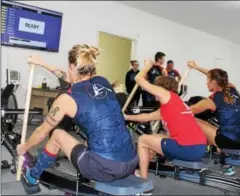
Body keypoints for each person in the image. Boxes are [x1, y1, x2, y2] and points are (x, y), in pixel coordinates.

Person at [17, 44, 138, 192]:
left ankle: (33, 176)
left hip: (106, 168)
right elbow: (65, 76)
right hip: (132, 161)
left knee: (56, 134)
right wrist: (42, 63)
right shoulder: (103, 81)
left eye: (69, 68)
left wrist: (24, 147)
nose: (67, 71)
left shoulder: (66, 99)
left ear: (73, 68)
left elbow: (41, 132)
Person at [124, 60, 206, 179]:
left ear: (160, 88)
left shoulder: (166, 95)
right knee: (155, 137)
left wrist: (148, 66)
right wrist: (126, 117)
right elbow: (146, 117)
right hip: (199, 147)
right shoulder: (174, 103)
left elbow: (138, 79)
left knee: (142, 140)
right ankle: (139, 167)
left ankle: (143, 181)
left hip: (188, 148)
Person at [187, 61, 240, 175]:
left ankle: (190, 155)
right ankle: (226, 164)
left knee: (193, 120)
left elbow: (186, 111)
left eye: (208, 81)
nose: (206, 83)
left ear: (213, 82)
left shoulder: (211, 100)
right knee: (213, 126)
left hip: (231, 141)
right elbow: (217, 77)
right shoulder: (232, 90)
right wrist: (196, 67)